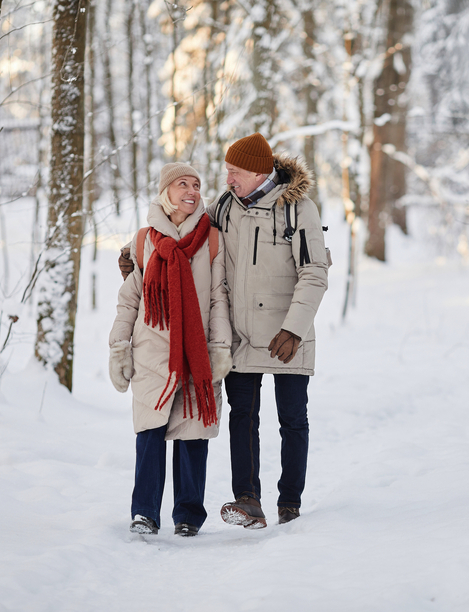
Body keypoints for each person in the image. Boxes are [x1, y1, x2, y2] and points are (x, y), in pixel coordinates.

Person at [119, 133, 329, 528]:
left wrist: (295, 328)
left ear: (258, 172)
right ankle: (248, 500)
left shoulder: (298, 209)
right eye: (227, 172)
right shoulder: (225, 208)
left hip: (287, 334)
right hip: (240, 335)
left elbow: (315, 272)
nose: (227, 179)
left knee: (292, 419)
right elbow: (186, 231)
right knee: (243, 416)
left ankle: (290, 504)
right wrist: (137, 256)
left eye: (234, 172)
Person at [109, 162, 232, 537]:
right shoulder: (145, 239)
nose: (192, 191)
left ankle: (188, 516)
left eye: (196, 184)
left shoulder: (211, 238)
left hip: (196, 351)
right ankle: (145, 512)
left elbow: (217, 298)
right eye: (183, 184)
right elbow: (130, 299)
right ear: (166, 192)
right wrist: (119, 347)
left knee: (192, 433)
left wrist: (220, 346)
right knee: (149, 432)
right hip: (152, 350)